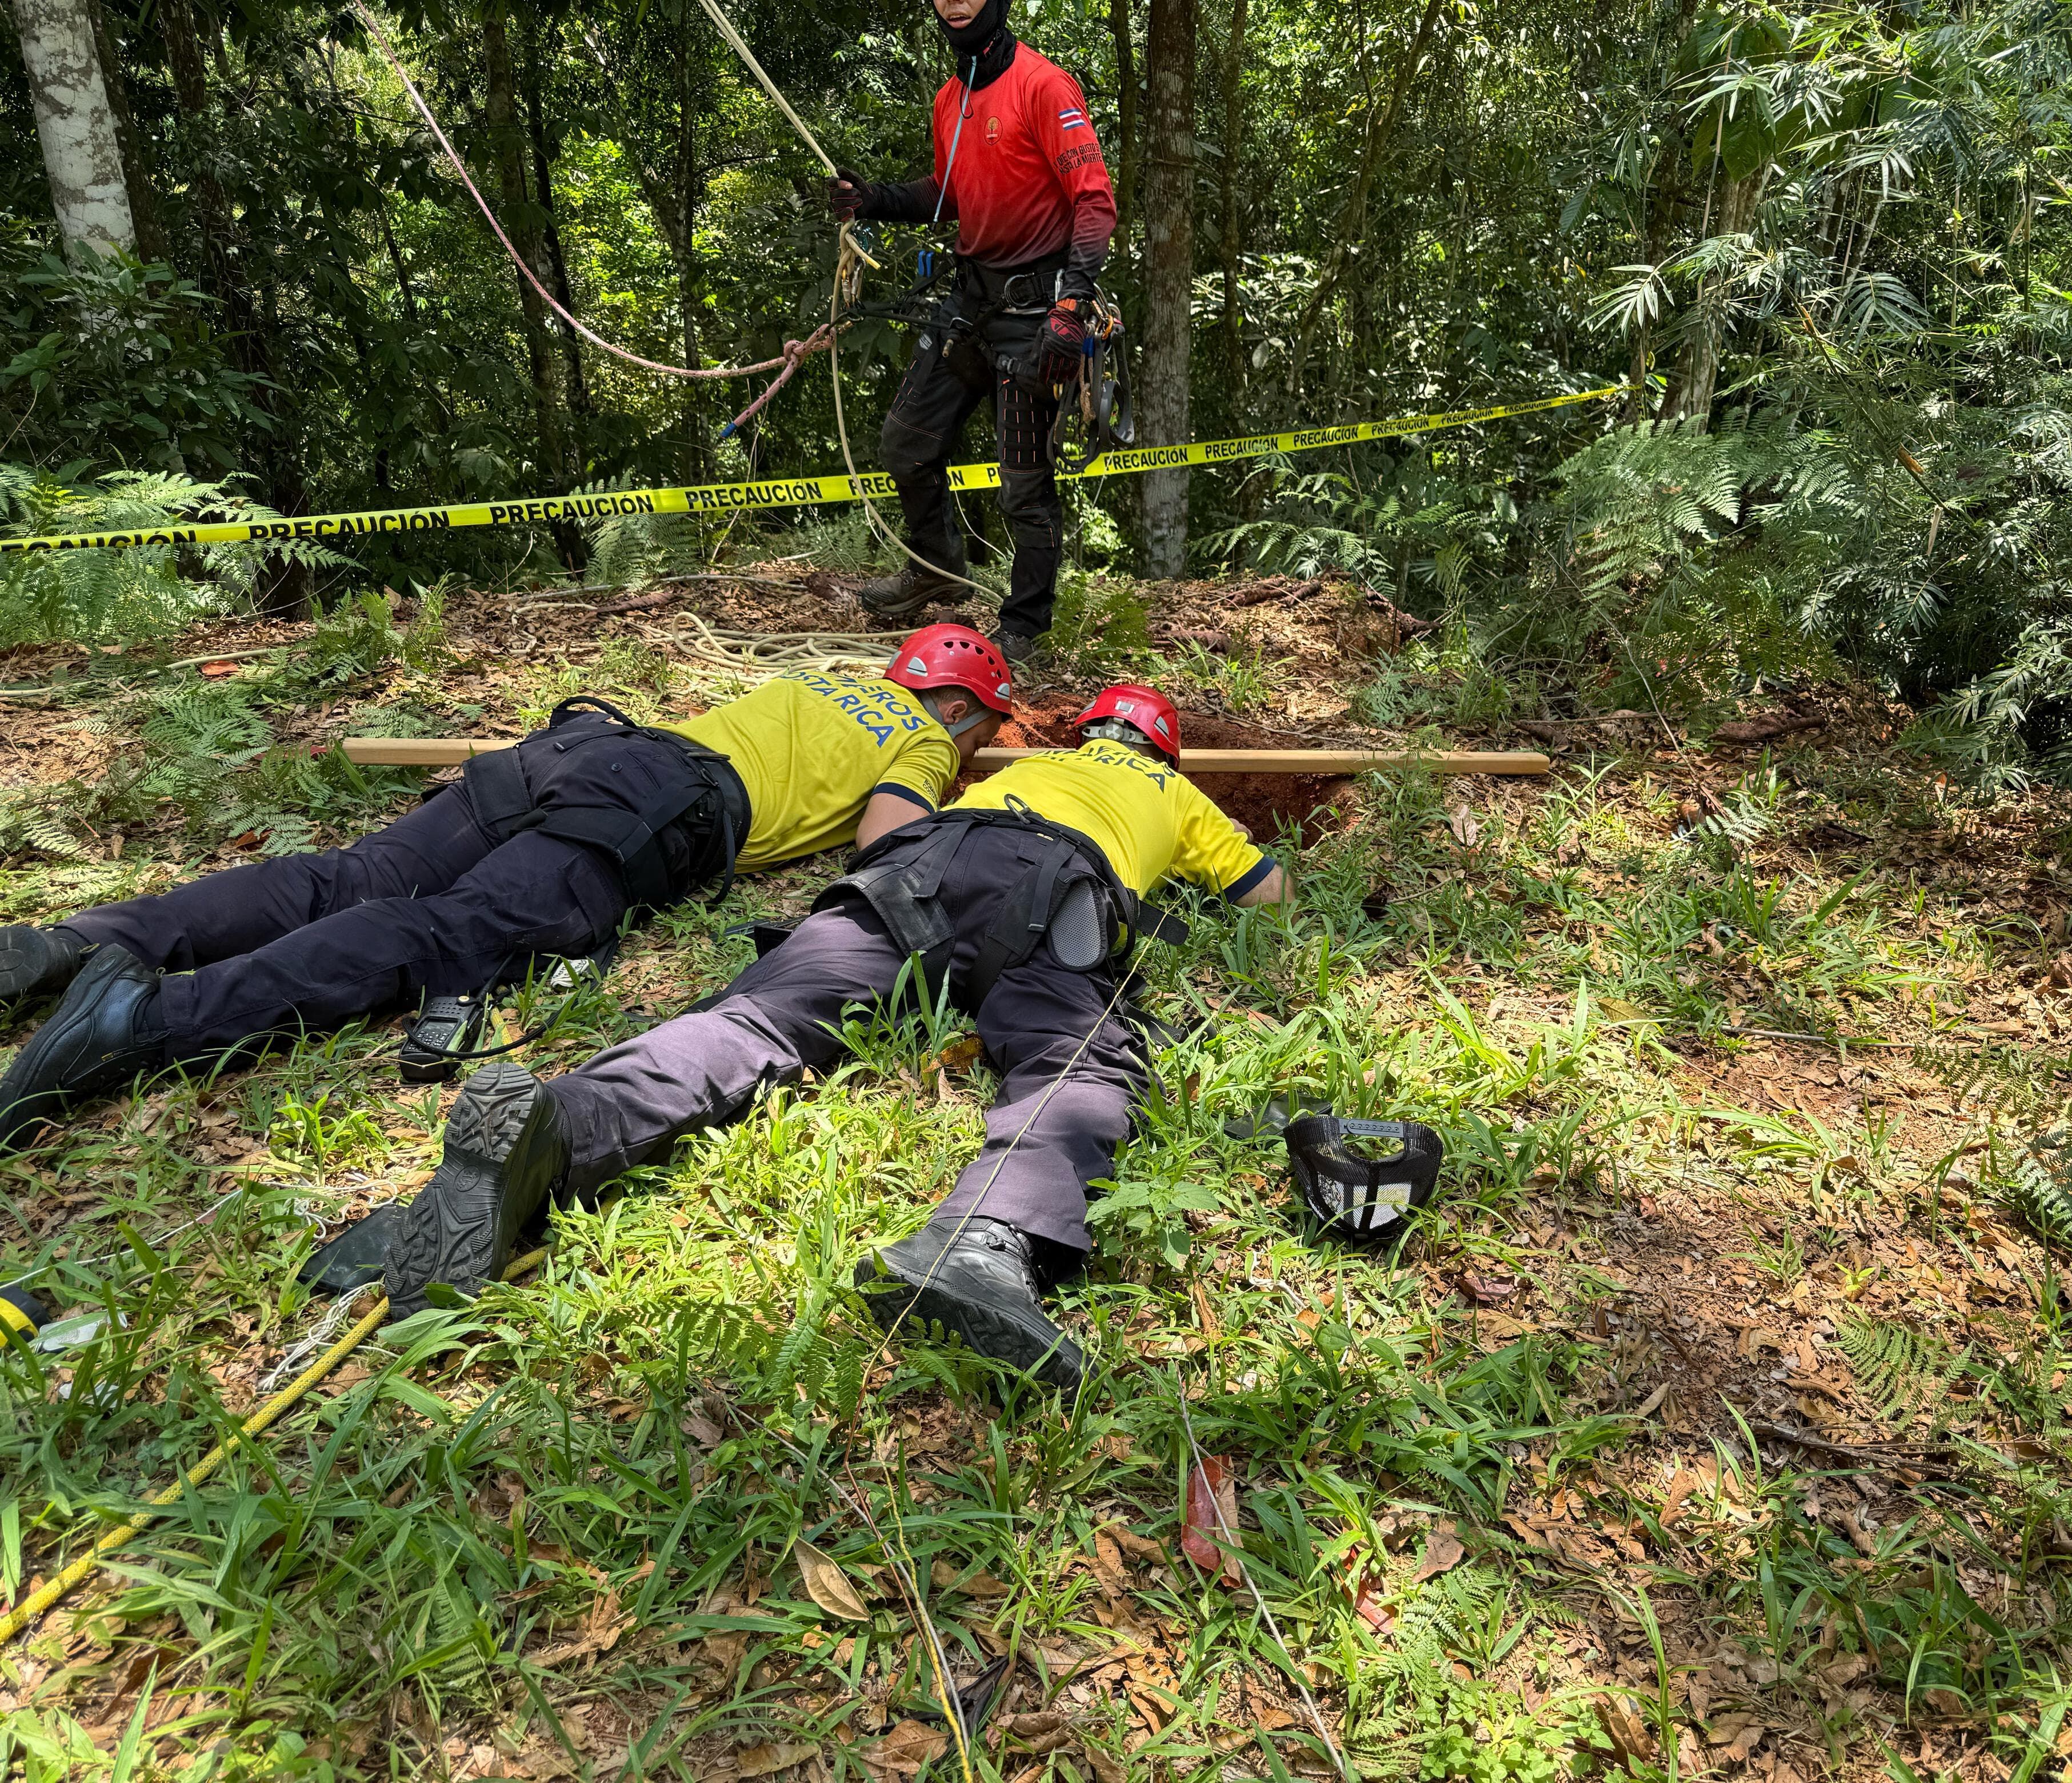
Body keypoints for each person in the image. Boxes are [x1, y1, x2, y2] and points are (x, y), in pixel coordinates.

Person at [378, 682, 1288, 1392]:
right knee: (1073, 1067)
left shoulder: (1019, 772)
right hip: (1059, 900)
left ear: (1089, 734)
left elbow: (888, 824)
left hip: (924, 862)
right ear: (1163, 751)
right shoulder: (1176, 794)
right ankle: (986, 1242)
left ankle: (563, 1125)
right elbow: (1267, 897)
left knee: (758, 1019)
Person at [0, 626, 1015, 1147]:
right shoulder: (924, 738)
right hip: (660, 808)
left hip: (586, 749)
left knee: (352, 874)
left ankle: (79, 942)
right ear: (968, 712)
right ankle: (142, 1023)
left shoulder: (818, 683)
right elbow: (891, 833)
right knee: (451, 932)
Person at [827, 0, 1118, 665]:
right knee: (907, 443)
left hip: (1033, 314)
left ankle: (1023, 629)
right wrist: (874, 199)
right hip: (968, 303)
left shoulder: (1044, 86)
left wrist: (1071, 305)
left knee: (1023, 484)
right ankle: (933, 565)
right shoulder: (950, 99)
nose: (955, 3)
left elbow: (1094, 199)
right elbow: (949, 193)